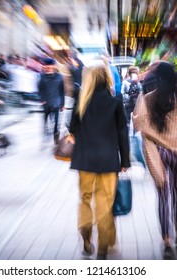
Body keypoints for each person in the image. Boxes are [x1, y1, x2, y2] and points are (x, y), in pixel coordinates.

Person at [132, 61, 177, 258]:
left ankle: (166, 238)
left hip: (159, 152)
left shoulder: (149, 98)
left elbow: (138, 123)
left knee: (162, 194)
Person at [68, 61, 131, 260]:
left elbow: (73, 128)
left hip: (84, 160)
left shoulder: (81, 101)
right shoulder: (115, 102)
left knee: (85, 198)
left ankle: (85, 231)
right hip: (108, 160)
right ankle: (103, 246)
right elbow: (123, 133)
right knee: (105, 202)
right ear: (107, 78)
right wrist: (125, 160)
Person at [38, 58, 65, 145]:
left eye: (50, 66)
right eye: (46, 66)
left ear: (54, 66)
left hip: (56, 103)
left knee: (56, 122)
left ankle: (56, 138)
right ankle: (45, 136)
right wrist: (42, 99)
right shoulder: (42, 76)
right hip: (46, 104)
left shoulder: (59, 76)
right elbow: (40, 89)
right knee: (45, 122)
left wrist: (62, 104)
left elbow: (62, 91)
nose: (48, 68)